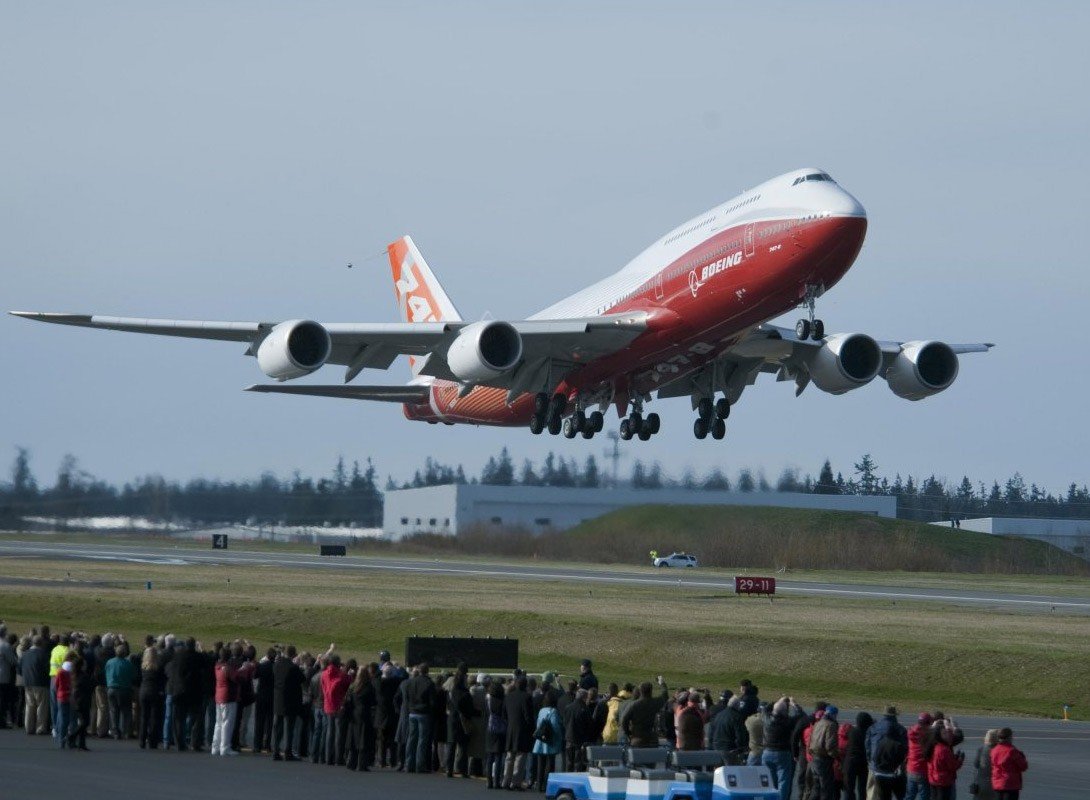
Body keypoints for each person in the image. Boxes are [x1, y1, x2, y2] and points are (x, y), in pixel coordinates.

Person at [761, 696, 803, 800]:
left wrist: (779, 700)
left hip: (767, 752)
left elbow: (765, 709)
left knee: (768, 779)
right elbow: (799, 714)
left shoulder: (767, 719)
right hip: (782, 753)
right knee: (783, 780)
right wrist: (794, 704)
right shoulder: (787, 722)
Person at [867, 706, 909, 800]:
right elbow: (905, 749)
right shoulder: (901, 729)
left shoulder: (873, 727)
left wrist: (870, 760)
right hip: (895, 768)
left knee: (873, 794)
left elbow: (868, 746)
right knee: (900, 794)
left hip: (876, 765)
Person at [272, 645, 305, 761]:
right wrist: (299, 666)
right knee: (289, 727)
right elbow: (302, 679)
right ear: (293, 655)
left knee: (277, 727)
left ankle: (275, 750)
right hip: (290, 700)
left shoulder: (276, 664)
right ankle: (287, 751)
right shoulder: (293, 667)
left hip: (277, 699)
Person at [403, 663, 437, 773]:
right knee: (422, 740)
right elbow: (433, 702)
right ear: (427, 671)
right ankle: (419, 765)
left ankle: (408, 764)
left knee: (411, 739)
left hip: (412, 712)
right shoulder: (429, 683)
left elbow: (407, 697)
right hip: (424, 713)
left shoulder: (411, 682)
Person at [503, 675, 533, 789]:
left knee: (509, 757)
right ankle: (515, 782)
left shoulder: (508, 696)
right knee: (520, 757)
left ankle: (506, 780)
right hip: (522, 730)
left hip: (510, 729)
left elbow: (504, 714)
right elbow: (528, 717)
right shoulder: (527, 697)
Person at [320, 653, 351, 766]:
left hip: (328, 704)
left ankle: (328, 757)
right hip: (338, 705)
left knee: (330, 732)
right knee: (338, 733)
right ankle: (338, 758)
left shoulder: (323, 674)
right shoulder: (341, 675)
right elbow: (349, 681)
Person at [620, 676, 669, 748]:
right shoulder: (655, 703)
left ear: (640, 691)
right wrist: (662, 683)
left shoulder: (634, 704)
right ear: (651, 691)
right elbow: (665, 694)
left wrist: (628, 733)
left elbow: (623, 720)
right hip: (652, 739)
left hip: (637, 739)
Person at [531, 692, 563, 791]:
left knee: (541, 764)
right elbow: (556, 727)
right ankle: (547, 785)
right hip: (550, 742)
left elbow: (538, 724)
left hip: (541, 741)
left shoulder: (542, 710)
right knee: (550, 764)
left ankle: (539, 784)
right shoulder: (553, 711)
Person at [211, 647, 239, 756]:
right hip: (228, 697)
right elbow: (236, 678)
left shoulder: (217, 666)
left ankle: (215, 746)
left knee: (218, 723)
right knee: (227, 723)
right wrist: (243, 670)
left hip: (219, 696)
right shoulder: (227, 668)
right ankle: (225, 747)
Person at [925, 721, 964, 800]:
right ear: (939, 736)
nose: (947, 735)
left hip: (933, 779)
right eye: (944, 733)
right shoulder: (943, 749)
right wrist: (960, 759)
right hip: (943, 781)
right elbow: (952, 766)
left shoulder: (932, 745)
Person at [20, 634, 50, 735]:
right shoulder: (44, 654)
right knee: (41, 706)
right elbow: (47, 670)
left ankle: (29, 727)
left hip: (28, 683)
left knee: (29, 706)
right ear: (41, 643)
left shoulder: (25, 654)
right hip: (41, 683)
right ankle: (40, 727)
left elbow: (19, 668)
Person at [809, 705, 840, 800]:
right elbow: (830, 745)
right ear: (834, 715)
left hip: (814, 757)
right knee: (826, 789)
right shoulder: (831, 725)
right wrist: (836, 756)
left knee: (816, 787)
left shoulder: (818, 723)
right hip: (824, 759)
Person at [105, 642, 135, 739]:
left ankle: (115, 731)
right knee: (126, 711)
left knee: (113, 711)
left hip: (112, 688)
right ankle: (126, 731)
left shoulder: (109, 662)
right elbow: (132, 676)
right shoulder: (128, 663)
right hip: (124, 689)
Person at [989, 728, 1028, 800]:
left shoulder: (994, 750)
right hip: (1010, 784)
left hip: (997, 782)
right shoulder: (1012, 751)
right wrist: (1022, 756)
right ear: (1009, 737)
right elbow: (1023, 766)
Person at [843, 712, 873, 800]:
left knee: (849, 789)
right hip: (863, 762)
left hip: (850, 761)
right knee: (862, 789)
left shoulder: (852, 731)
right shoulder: (868, 733)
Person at [138, 646, 164, 749]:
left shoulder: (143, 667)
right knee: (154, 718)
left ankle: (142, 740)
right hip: (155, 692)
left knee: (144, 717)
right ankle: (152, 741)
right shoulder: (159, 667)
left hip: (143, 692)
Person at [485, 677, 507, 789]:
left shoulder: (489, 700)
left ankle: (489, 781)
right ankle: (497, 781)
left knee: (490, 757)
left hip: (490, 728)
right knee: (498, 757)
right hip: (501, 729)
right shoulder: (503, 701)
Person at [906, 713, 934, 800]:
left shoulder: (911, 732)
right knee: (924, 796)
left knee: (910, 795)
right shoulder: (927, 736)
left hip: (911, 769)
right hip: (923, 770)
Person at [69, 654, 94, 751]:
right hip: (82, 701)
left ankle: (81, 743)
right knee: (85, 722)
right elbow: (89, 687)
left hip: (76, 701)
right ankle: (73, 736)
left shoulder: (75, 675)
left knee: (83, 722)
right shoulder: (83, 676)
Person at [971, 729, 999, 800]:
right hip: (994, 783)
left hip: (981, 782)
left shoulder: (981, 749)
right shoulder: (998, 750)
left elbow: (976, 765)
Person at [53, 653, 73, 748]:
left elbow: (56, 685)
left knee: (61, 717)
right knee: (70, 719)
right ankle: (69, 739)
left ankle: (60, 738)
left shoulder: (60, 671)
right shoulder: (73, 672)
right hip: (70, 696)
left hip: (61, 696)